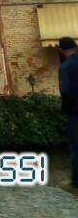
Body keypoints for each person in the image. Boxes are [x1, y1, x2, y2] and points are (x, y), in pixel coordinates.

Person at [60, 36, 78, 188]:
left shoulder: (65, 67)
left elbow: (65, 91)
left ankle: (76, 181)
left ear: (62, 50)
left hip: (74, 112)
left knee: (76, 146)